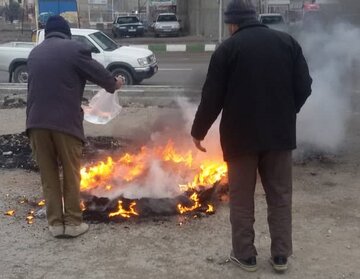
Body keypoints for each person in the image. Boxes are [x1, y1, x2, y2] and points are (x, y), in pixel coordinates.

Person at [191, 0, 312, 273]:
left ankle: (245, 257)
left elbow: (212, 98)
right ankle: (280, 256)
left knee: (242, 199)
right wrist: (287, 112)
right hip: (279, 137)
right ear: (255, 18)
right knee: (280, 196)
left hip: (239, 139)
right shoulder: (287, 43)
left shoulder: (227, 49)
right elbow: (304, 86)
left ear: (233, 23)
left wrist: (198, 131)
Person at [26, 15, 123, 238]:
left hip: (35, 123)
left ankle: (55, 225)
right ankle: (72, 223)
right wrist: (115, 83)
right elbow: (101, 76)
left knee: (48, 176)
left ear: (47, 33)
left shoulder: (34, 53)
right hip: (64, 124)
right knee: (70, 174)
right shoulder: (74, 49)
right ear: (66, 32)